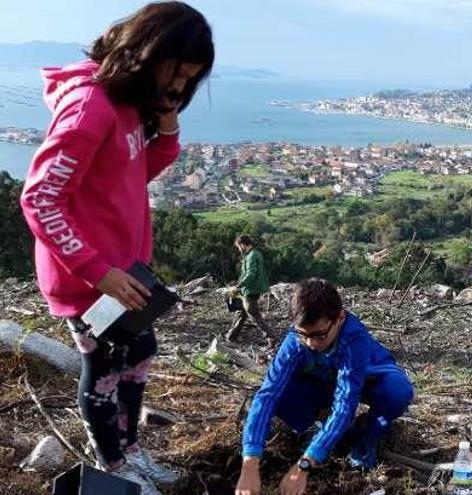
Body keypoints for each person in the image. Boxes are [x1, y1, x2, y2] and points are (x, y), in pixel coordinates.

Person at [18, 3, 213, 494]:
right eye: (177, 74)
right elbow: (40, 198)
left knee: (140, 348)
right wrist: (96, 271)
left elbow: (135, 170)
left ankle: (129, 448)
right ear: (149, 54)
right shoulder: (91, 107)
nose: (177, 89)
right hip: (88, 277)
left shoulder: (128, 103)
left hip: (123, 271)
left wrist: (167, 121)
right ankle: (113, 463)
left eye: (189, 81)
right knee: (103, 367)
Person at [235, 279, 414, 495]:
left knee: (397, 392)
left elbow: (345, 404)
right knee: (278, 395)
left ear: (339, 318)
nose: (311, 343)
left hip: (365, 380)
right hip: (322, 385)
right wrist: (250, 463)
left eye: (319, 334)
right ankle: (321, 428)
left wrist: (304, 465)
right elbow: (267, 396)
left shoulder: (353, 339)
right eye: (303, 334)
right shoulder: (296, 342)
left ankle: (367, 432)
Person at [226, 234, 272, 342]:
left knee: (255, 316)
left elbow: (251, 274)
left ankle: (272, 338)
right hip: (251, 289)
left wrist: (238, 286)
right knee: (241, 313)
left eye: (238, 246)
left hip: (251, 290)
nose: (238, 249)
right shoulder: (256, 254)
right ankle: (231, 337)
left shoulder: (251, 256)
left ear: (243, 244)